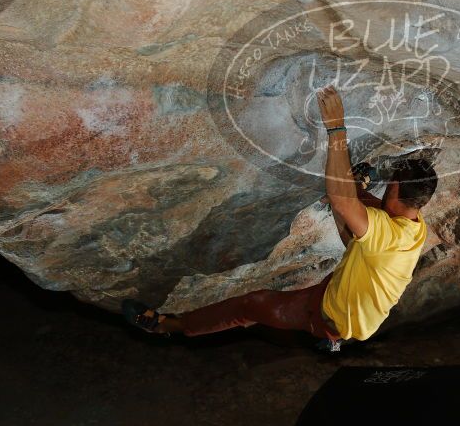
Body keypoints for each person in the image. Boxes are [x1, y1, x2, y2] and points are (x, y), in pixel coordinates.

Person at [122, 85, 438, 350]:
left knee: (251, 305)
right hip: (346, 291)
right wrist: (356, 188)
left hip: (328, 314)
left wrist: (337, 129)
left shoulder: (389, 235)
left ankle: (166, 325)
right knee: (353, 209)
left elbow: (343, 202)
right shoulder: (414, 226)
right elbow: (362, 210)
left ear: (395, 191)